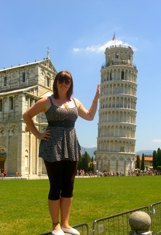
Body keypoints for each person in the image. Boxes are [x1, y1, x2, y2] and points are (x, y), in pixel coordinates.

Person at [23, 71, 100, 235]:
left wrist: (96, 98)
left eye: (68, 81)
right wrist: (38, 134)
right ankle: (55, 224)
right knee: (55, 185)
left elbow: (90, 116)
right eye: (61, 80)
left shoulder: (74, 101)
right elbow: (26, 115)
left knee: (69, 186)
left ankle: (65, 224)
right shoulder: (47, 101)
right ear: (56, 82)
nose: (64, 83)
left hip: (71, 145)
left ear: (71, 84)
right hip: (52, 146)